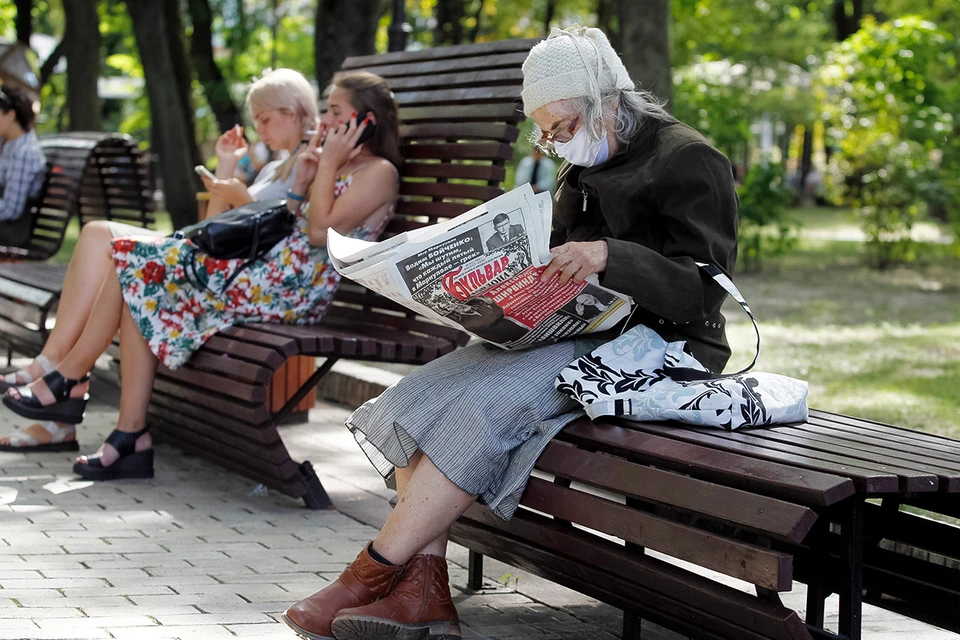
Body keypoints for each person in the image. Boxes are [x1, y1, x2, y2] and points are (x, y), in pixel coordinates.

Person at [281, 25, 739, 640]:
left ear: (605, 104)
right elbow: (556, 255)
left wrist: (611, 257)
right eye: (543, 132)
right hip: (583, 330)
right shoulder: (588, 161)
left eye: (559, 127)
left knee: (479, 409)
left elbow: (705, 291)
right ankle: (424, 593)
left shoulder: (689, 159)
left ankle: (369, 574)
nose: (552, 143)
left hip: (663, 347)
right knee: (426, 394)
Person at [0, 70, 402, 479]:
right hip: (266, 275)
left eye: (335, 111)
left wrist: (328, 164)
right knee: (135, 273)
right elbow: (291, 222)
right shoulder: (326, 162)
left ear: (366, 120)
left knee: (133, 265)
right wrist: (303, 183)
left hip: (291, 291)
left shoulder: (378, 173)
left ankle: (68, 385)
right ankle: (126, 435)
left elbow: (319, 233)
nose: (326, 121)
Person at [0, 85, 46, 249]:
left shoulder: (25, 153)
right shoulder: (5, 144)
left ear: (10, 115)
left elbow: (11, 210)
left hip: (13, 231)